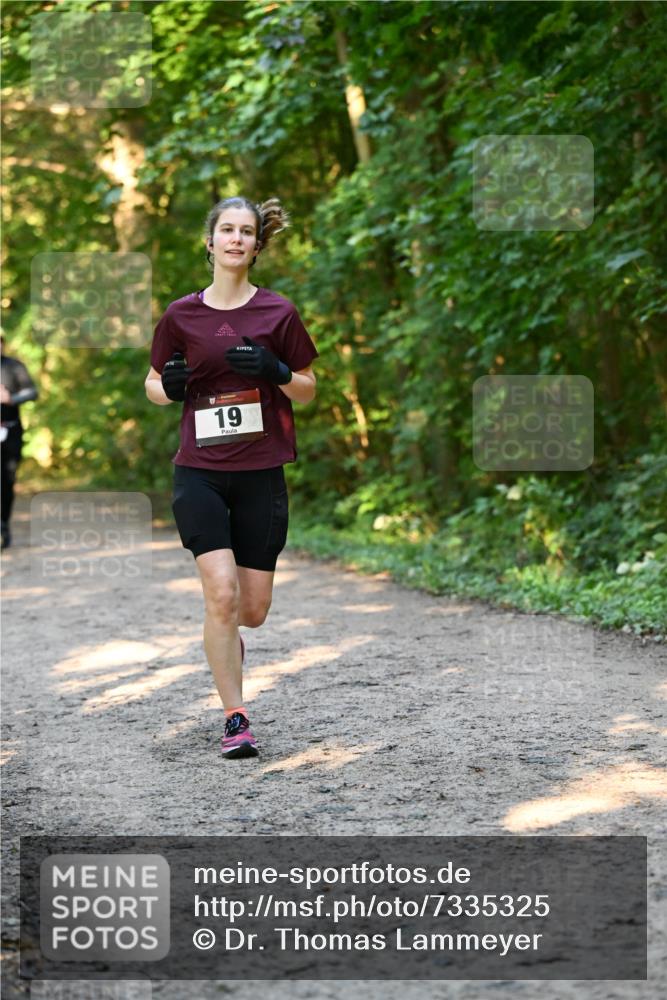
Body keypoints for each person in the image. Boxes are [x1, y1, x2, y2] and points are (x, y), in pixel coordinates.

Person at [145, 196, 318, 760]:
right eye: (227, 229)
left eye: (247, 231)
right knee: (220, 596)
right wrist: (169, 385)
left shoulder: (278, 313)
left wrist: (276, 371)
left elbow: (308, 387)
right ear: (210, 241)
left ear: (257, 246)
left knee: (251, 610)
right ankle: (235, 716)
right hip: (199, 471)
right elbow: (153, 383)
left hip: (260, 473)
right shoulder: (181, 316)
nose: (236, 239)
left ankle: (230, 639)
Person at [1, 335, 39, 549]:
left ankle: (3, 525)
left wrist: (11, 399)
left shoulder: (14, 367)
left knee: (7, 480)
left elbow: (32, 392)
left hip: (10, 430)